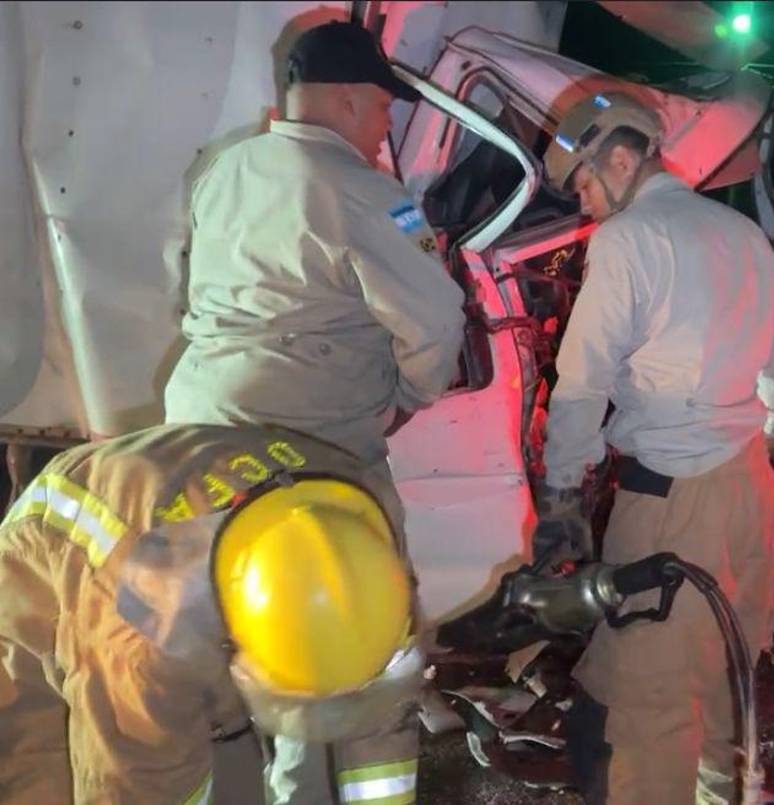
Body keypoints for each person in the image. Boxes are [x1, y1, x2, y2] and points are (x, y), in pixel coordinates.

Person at [535, 92, 774, 804]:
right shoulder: (741, 232)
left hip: (671, 494)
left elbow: (582, 381)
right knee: (726, 672)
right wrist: (757, 437)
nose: (586, 203)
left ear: (622, 157)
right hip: (749, 484)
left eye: (586, 182)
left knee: (648, 695)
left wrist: (561, 493)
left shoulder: (626, 239)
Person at [0, 424, 424, 804]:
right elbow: (134, 781)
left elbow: (384, 718)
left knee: (225, 757)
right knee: (38, 762)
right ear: (237, 639)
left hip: (185, 525)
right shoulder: (141, 632)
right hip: (47, 564)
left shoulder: (363, 549)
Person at [164, 21, 466, 477]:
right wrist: (409, 400)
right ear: (348, 101)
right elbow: (437, 323)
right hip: (306, 445)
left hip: (197, 425)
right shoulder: (371, 194)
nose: (387, 126)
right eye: (384, 107)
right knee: (359, 547)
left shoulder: (225, 168)